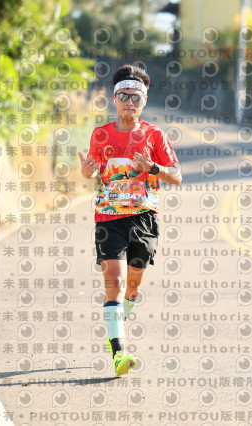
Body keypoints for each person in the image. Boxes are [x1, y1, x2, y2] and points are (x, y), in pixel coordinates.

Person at [78, 64, 182, 376]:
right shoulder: (101, 134)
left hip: (144, 217)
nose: (129, 102)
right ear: (114, 98)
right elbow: (92, 171)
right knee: (115, 282)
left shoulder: (154, 135)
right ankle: (119, 353)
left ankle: (117, 323)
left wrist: (153, 169)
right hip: (109, 217)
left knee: (132, 288)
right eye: (123, 95)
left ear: (144, 101)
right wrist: (86, 170)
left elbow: (176, 175)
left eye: (136, 97)